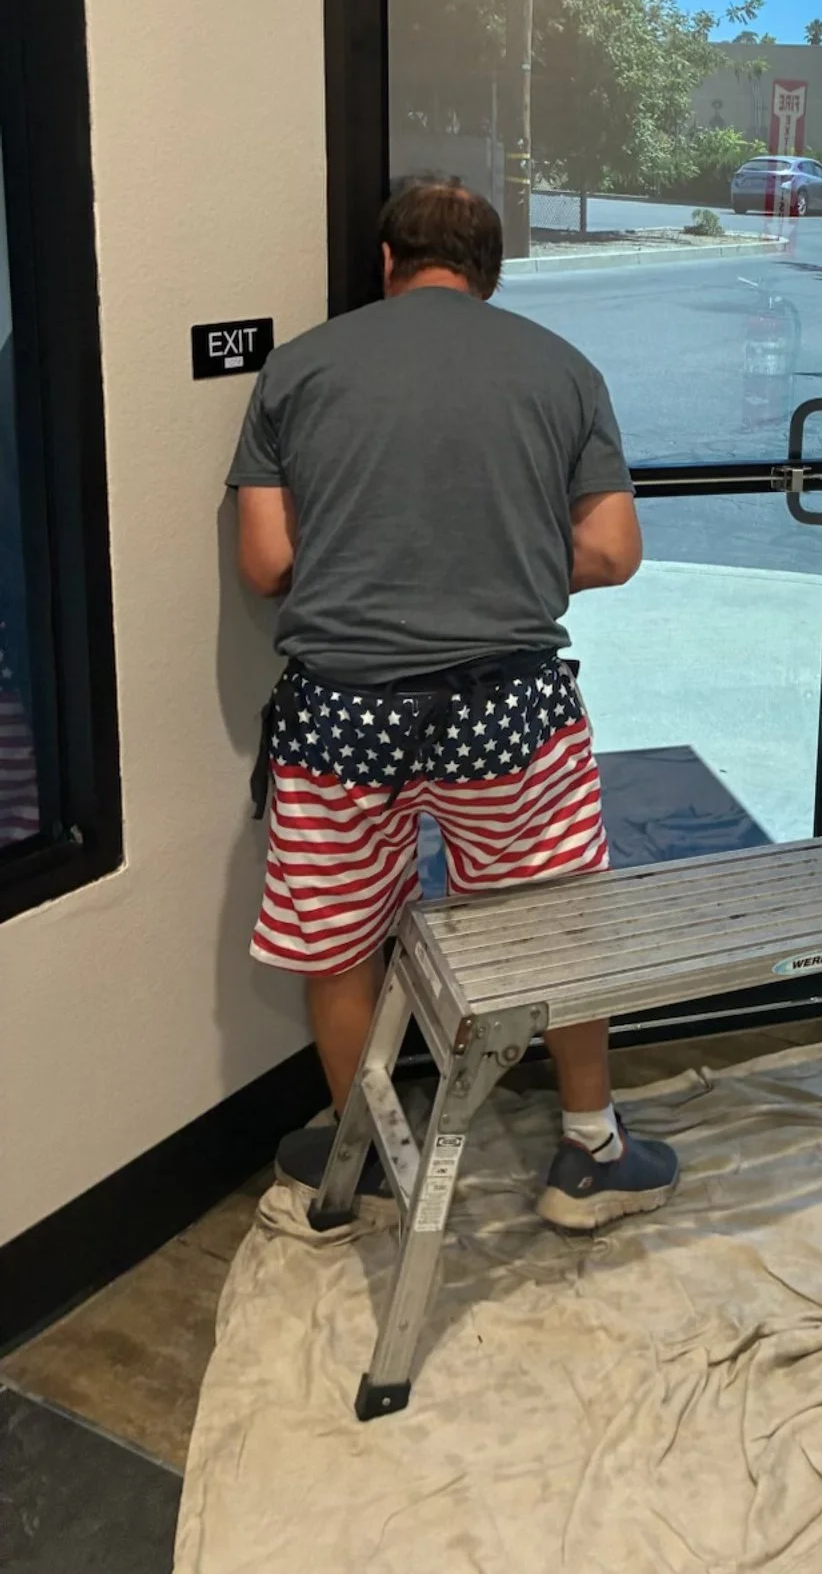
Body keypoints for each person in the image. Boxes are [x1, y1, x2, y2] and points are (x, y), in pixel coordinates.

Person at [227, 177, 677, 1231]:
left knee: (339, 940)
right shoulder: (560, 368)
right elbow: (612, 551)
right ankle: (589, 1151)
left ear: (387, 264)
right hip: (510, 711)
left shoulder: (299, 368)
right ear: (491, 273)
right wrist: (498, 553)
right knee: (555, 925)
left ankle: (366, 1162)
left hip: (342, 715)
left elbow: (265, 563)